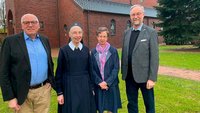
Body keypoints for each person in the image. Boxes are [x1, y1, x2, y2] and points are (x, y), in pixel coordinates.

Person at [0, 13, 56, 113]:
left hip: (43, 91)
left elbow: (50, 63)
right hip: (21, 93)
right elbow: (3, 71)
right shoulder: (10, 42)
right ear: (21, 25)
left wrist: (50, 81)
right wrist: (10, 97)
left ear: (39, 25)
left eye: (33, 22)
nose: (30, 25)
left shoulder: (45, 40)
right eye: (26, 22)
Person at [121, 4, 159, 113]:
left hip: (145, 77)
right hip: (129, 76)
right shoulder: (126, 33)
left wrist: (152, 78)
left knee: (149, 104)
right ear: (130, 16)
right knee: (132, 104)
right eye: (133, 14)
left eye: (138, 14)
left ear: (143, 15)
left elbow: (154, 57)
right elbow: (125, 53)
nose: (135, 16)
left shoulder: (151, 32)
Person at [55, 23, 96, 113]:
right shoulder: (63, 50)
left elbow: (90, 71)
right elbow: (59, 73)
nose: (77, 35)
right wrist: (60, 93)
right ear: (69, 34)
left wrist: (92, 88)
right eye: (74, 33)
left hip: (85, 87)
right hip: (69, 87)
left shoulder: (86, 50)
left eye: (79, 32)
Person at [91, 27, 122, 113]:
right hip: (99, 85)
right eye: (100, 36)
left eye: (104, 36)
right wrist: (100, 82)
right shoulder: (93, 52)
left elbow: (116, 68)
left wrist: (107, 82)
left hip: (111, 84)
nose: (102, 38)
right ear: (97, 37)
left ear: (107, 37)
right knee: (100, 108)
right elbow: (92, 69)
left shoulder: (113, 51)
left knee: (111, 108)